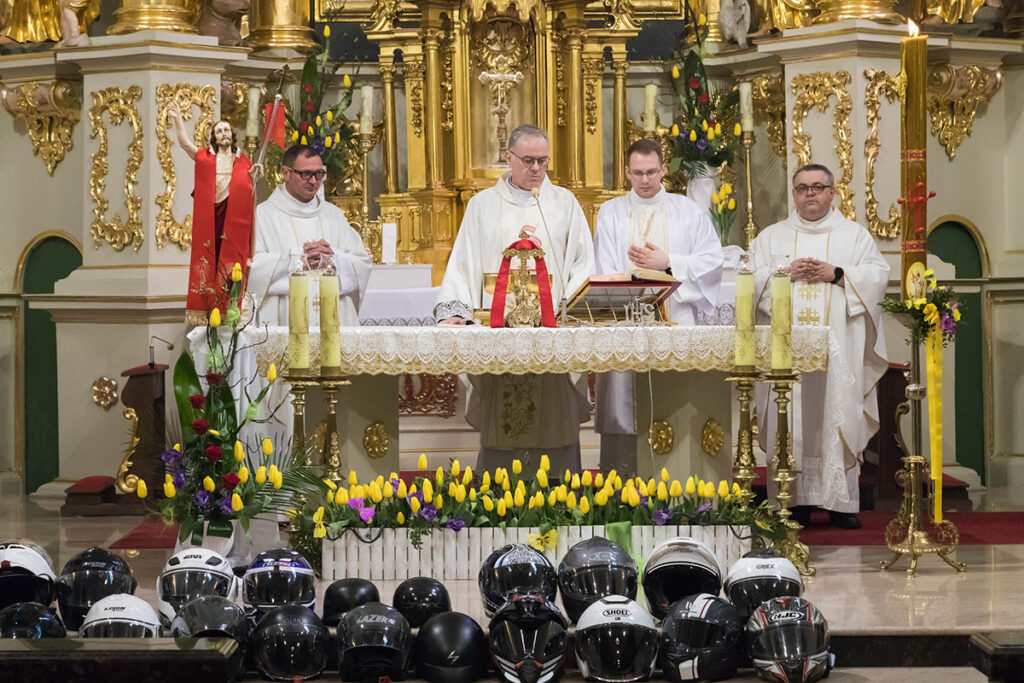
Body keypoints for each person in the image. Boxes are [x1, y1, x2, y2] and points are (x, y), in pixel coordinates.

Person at [434, 124, 595, 471]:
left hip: (551, 336)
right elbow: (463, 263)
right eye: (528, 160)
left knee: (555, 420)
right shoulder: (482, 206)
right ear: (508, 158)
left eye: (543, 161)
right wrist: (456, 311)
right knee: (503, 423)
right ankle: (499, 491)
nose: (536, 168)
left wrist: (569, 310)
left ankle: (561, 487)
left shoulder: (564, 203)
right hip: (498, 337)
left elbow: (583, 265)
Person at [750, 163, 889, 529]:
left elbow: (877, 276)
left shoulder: (855, 236)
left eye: (817, 187)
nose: (809, 193)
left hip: (838, 351)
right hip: (785, 353)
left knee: (837, 414)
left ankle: (841, 504)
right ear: (794, 194)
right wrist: (783, 274)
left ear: (832, 192)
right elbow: (748, 280)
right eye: (802, 188)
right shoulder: (771, 237)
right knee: (789, 418)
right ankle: (792, 502)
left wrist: (837, 274)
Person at [592, 139, 724, 472]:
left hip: (676, 322)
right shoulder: (610, 213)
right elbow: (603, 270)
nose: (645, 179)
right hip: (625, 327)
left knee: (677, 406)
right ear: (626, 172)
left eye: (652, 171)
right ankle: (622, 490)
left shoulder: (687, 210)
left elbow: (712, 261)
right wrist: (636, 280)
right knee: (624, 412)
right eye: (637, 173)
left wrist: (668, 264)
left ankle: (678, 486)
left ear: (664, 169)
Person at [248, 144, 371, 327]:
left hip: (333, 320)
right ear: (286, 173)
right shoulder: (262, 215)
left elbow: (362, 263)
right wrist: (296, 260)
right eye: (306, 174)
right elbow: (249, 269)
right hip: (284, 321)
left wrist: (332, 258)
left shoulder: (334, 215)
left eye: (319, 174)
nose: (314, 181)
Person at [168, 104, 258, 324]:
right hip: (212, 215)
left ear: (232, 135)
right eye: (219, 131)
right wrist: (178, 119)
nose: (224, 134)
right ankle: (207, 307)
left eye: (226, 130)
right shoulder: (205, 158)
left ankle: (228, 307)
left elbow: (250, 193)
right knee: (210, 257)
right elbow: (184, 143)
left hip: (233, 216)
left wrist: (255, 176)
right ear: (214, 138)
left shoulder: (243, 162)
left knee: (229, 262)